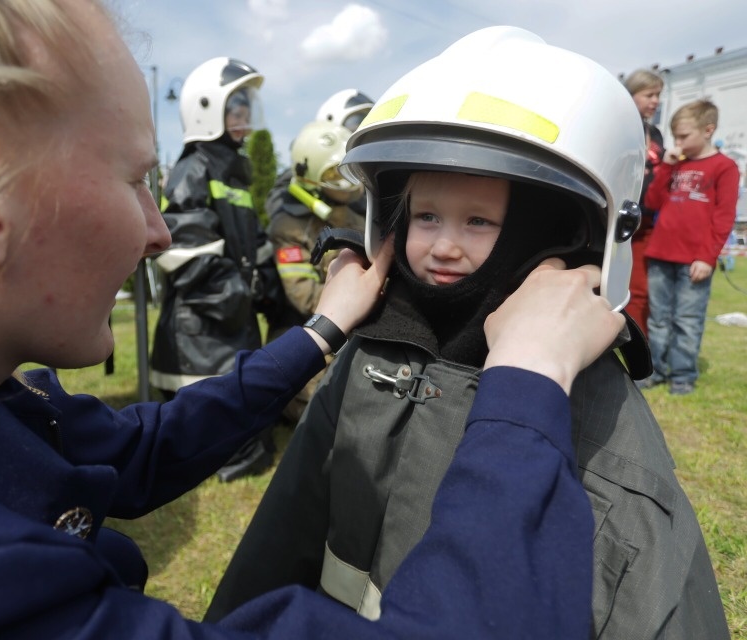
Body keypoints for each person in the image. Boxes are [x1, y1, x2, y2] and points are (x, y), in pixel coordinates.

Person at [0, 4, 625, 637]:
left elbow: (139, 448)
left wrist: (321, 330)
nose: (156, 230)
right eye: (134, 180)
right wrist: (527, 384)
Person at [205, 27, 731, 640]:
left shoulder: (592, 412)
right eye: (426, 215)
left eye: (479, 221)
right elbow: (280, 540)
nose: (444, 245)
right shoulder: (372, 353)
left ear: (543, 232)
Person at [148, 56, 281, 481]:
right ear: (207, 112)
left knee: (249, 424)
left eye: (246, 109)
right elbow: (189, 257)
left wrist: (270, 287)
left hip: (232, 324)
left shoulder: (232, 172)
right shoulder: (195, 169)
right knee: (220, 430)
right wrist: (242, 295)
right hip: (202, 334)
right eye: (235, 109)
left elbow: (253, 242)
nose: (244, 118)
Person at [265, 120, 367, 422]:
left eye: (346, 171)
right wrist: (363, 303)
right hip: (311, 339)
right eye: (334, 173)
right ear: (310, 174)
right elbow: (303, 295)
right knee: (326, 415)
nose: (345, 182)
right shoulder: (289, 228)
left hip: (355, 333)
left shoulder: (356, 218)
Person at [640, 99, 740, 395]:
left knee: (687, 319)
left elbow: (724, 218)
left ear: (708, 130)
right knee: (658, 317)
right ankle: (655, 370)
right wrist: (665, 169)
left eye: (684, 136)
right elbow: (653, 202)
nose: (678, 142)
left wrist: (708, 257)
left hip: (694, 260)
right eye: (675, 136)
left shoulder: (725, 167)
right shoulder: (676, 164)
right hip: (661, 253)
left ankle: (682, 375)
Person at [623, 69, 666, 337]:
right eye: (649, 94)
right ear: (632, 94)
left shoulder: (656, 132)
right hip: (620, 216)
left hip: (648, 219)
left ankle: (641, 344)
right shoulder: (622, 126)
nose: (655, 101)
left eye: (658, 95)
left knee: (642, 288)